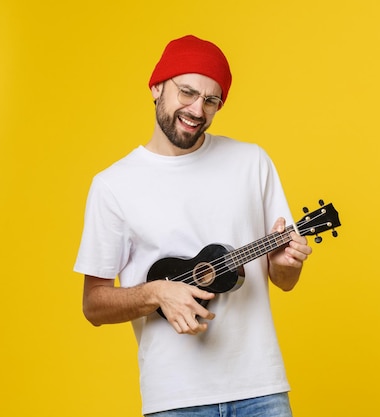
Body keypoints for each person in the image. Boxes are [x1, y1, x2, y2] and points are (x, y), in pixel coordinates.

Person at [74, 34, 313, 417]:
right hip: (175, 400)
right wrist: (157, 293)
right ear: (156, 87)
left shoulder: (251, 163)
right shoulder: (113, 186)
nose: (196, 109)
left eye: (210, 100)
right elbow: (94, 304)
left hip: (261, 390)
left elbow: (283, 280)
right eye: (186, 92)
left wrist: (288, 265)